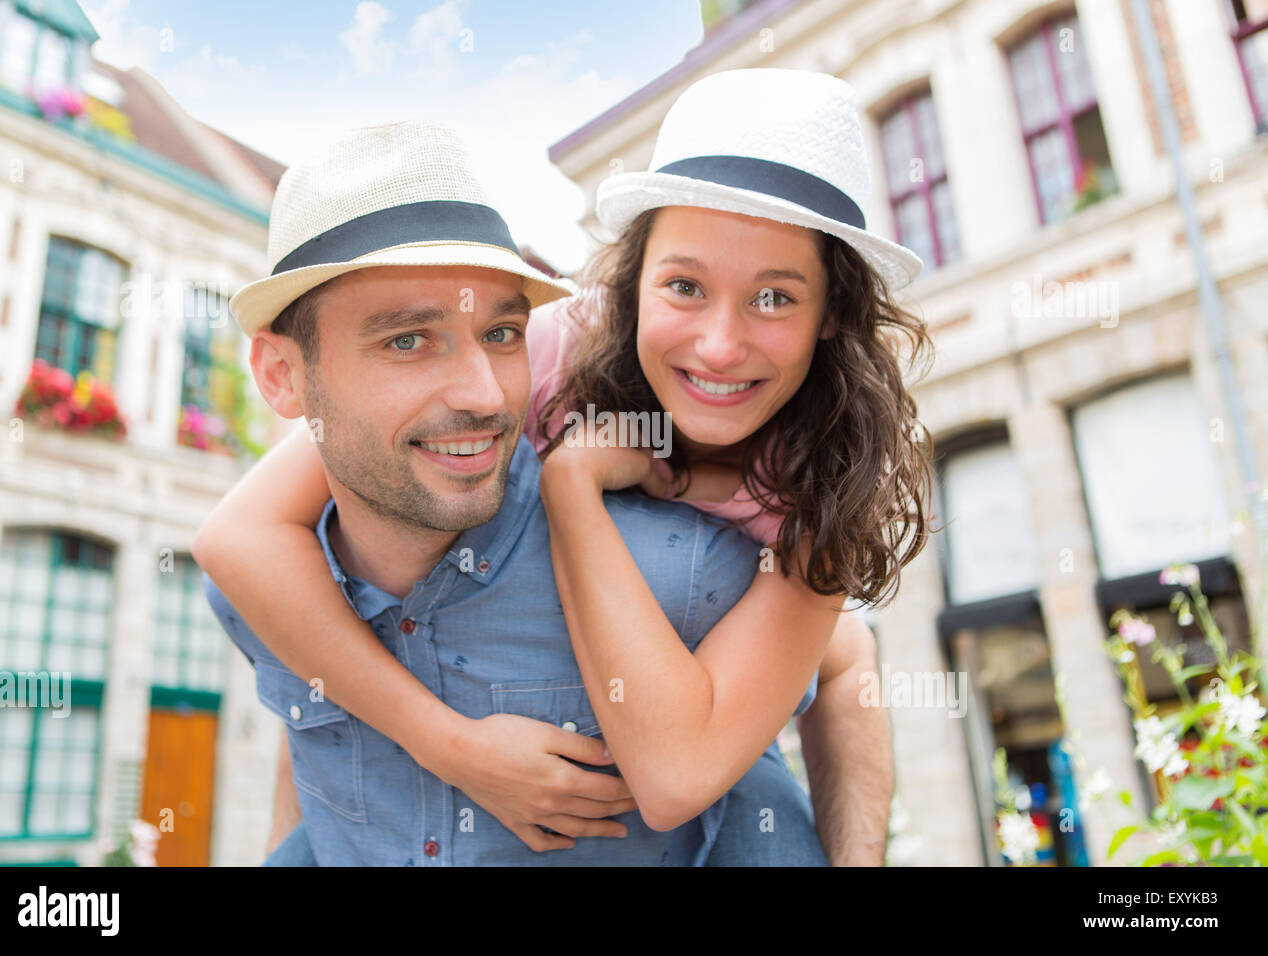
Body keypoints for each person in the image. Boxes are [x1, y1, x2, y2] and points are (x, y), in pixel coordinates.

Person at [202, 68, 932, 864]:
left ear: (832, 313)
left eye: (776, 298)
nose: (720, 345)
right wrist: (451, 746)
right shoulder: (548, 351)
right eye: (684, 285)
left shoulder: (821, 483)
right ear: (633, 285)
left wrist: (572, 484)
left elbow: (833, 666)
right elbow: (246, 538)